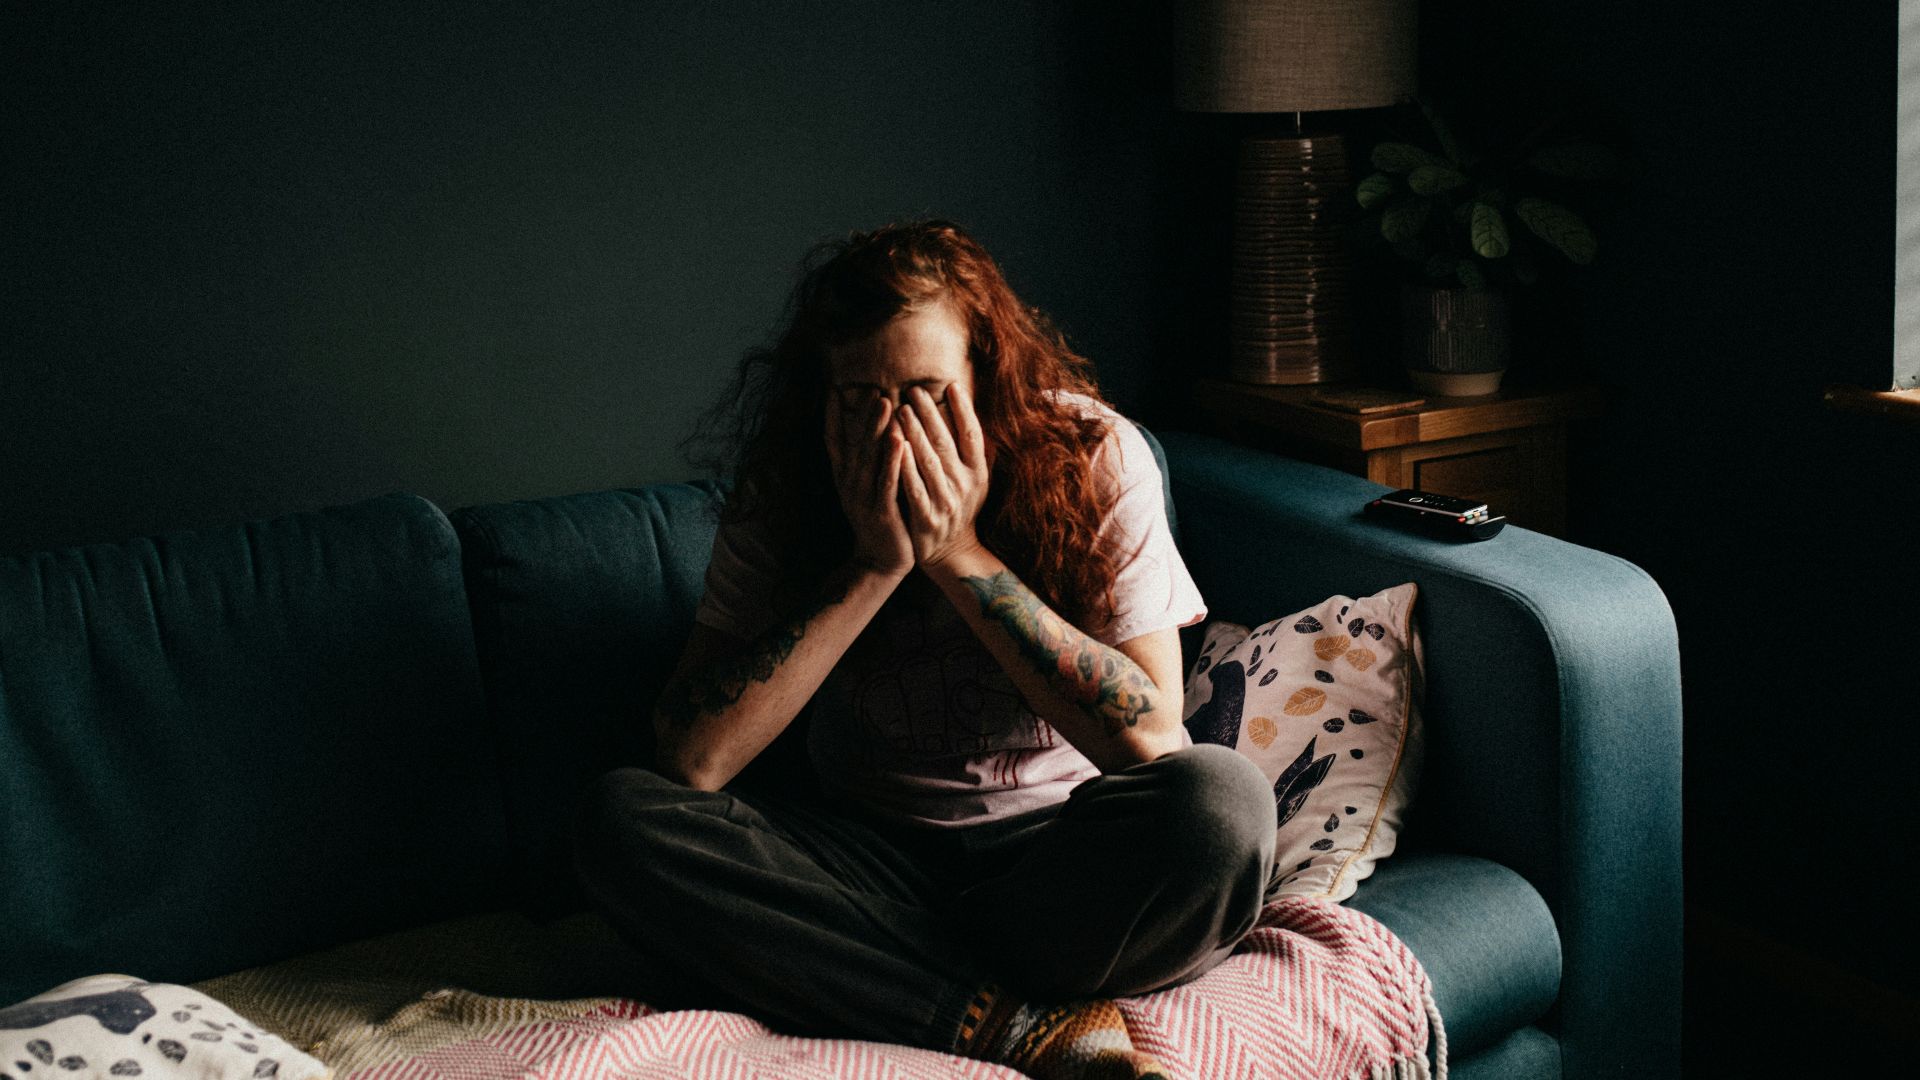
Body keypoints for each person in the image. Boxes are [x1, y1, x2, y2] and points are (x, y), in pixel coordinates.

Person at [572, 220, 1277, 1080]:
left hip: (1061, 862)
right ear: (820, 396)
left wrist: (959, 556)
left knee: (1223, 806)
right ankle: (1003, 1020)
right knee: (620, 820)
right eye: (861, 400)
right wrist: (875, 565)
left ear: (986, 379)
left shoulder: (1095, 453)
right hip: (865, 861)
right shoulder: (788, 485)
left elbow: (1151, 739)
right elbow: (692, 760)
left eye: (928, 395)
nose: (897, 435)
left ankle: (893, 983)